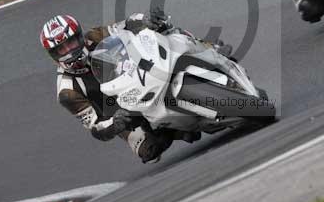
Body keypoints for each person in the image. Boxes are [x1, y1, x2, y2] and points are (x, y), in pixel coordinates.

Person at [40, 11, 229, 163]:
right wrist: (116, 122)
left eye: (71, 42)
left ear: (79, 36)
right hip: (123, 112)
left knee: (162, 30)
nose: (69, 50)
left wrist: (146, 20)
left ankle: (208, 47)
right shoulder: (67, 91)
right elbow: (95, 127)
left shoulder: (94, 37)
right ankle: (179, 129)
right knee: (149, 148)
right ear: (53, 55)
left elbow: (126, 24)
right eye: (62, 49)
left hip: (136, 77)